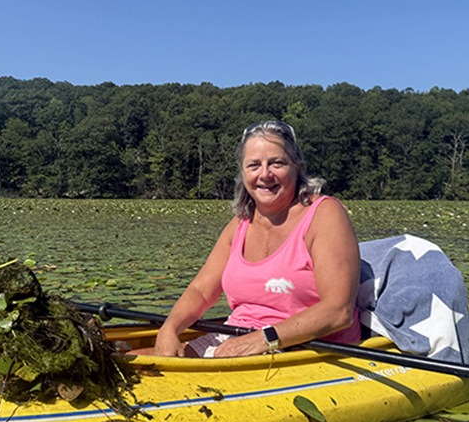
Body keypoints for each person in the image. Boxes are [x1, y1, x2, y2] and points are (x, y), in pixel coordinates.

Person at [146, 120, 360, 358]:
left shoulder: (325, 214)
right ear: (243, 173)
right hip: (236, 339)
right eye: (254, 165)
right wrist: (170, 328)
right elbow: (201, 291)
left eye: (277, 163)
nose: (265, 174)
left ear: (297, 167)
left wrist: (263, 338)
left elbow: (338, 311)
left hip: (307, 348)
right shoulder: (240, 223)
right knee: (134, 362)